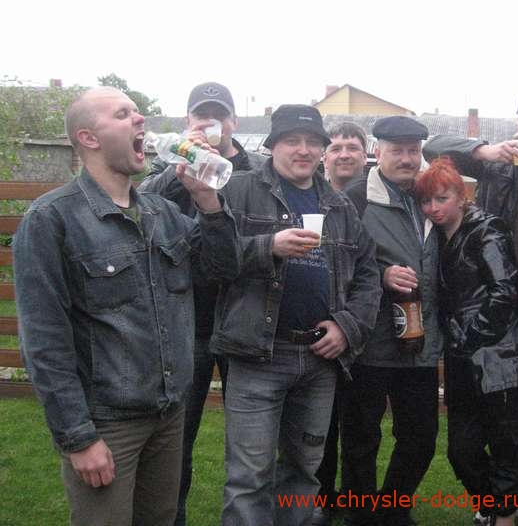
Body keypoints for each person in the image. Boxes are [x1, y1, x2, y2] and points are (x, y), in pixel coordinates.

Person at [13, 87, 241, 526]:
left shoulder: (162, 212)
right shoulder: (51, 220)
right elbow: (43, 340)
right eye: (123, 114)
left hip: (169, 415)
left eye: (138, 112)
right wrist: (78, 437)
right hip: (107, 424)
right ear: (89, 138)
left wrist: (208, 201)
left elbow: (224, 267)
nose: (140, 119)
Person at [210, 104, 381, 526]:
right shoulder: (239, 190)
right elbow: (208, 258)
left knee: (305, 471)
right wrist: (267, 246)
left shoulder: (338, 205)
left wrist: (347, 327)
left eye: (312, 142)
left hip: (319, 360)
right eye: (292, 141)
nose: (303, 150)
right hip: (257, 355)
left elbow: (368, 275)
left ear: (321, 150)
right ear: (272, 146)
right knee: (249, 476)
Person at [424, 89, 518, 525]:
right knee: (498, 420)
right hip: (504, 304)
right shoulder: (498, 162)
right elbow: (433, 145)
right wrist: (482, 149)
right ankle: (501, 504)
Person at [138, 81, 266, 526]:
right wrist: (183, 163)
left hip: (242, 314)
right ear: (188, 121)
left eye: (219, 115)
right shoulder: (169, 164)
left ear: (233, 122)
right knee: (177, 438)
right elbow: (142, 205)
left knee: (250, 441)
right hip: (186, 319)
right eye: (201, 116)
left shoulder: (255, 168)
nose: (211, 123)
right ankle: (172, 517)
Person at [416, 158, 518, 526]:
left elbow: (503, 290)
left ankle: (504, 514)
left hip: (504, 355)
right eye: (426, 201)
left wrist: (471, 335)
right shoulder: (434, 238)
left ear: (462, 196)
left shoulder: (487, 229)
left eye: (441, 198)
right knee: (461, 450)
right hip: (462, 358)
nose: (433, 208)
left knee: (508, 442)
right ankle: (496, 504)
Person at [341, 116, 443, 526]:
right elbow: (336, 260)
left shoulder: (431, 194)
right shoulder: (355, 198)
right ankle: (360, 514)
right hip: (369, 341)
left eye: (413, 151)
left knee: (420, 438)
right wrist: (381, 275)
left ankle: (392, 509)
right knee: (361, 438)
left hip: (419, 341)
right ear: (377, 151)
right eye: (396, 150)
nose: (406, 159)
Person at [313, 120, 370, 526]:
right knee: (319, 428)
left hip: (367, 329)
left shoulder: (378, 198)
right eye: (336, 147)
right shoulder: (309, 198)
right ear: (324, 157)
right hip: (321, 328)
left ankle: (357, 505)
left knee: (361, 429)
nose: (345, 154)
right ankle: (320, 500)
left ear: (367, 154)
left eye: (353, 147)